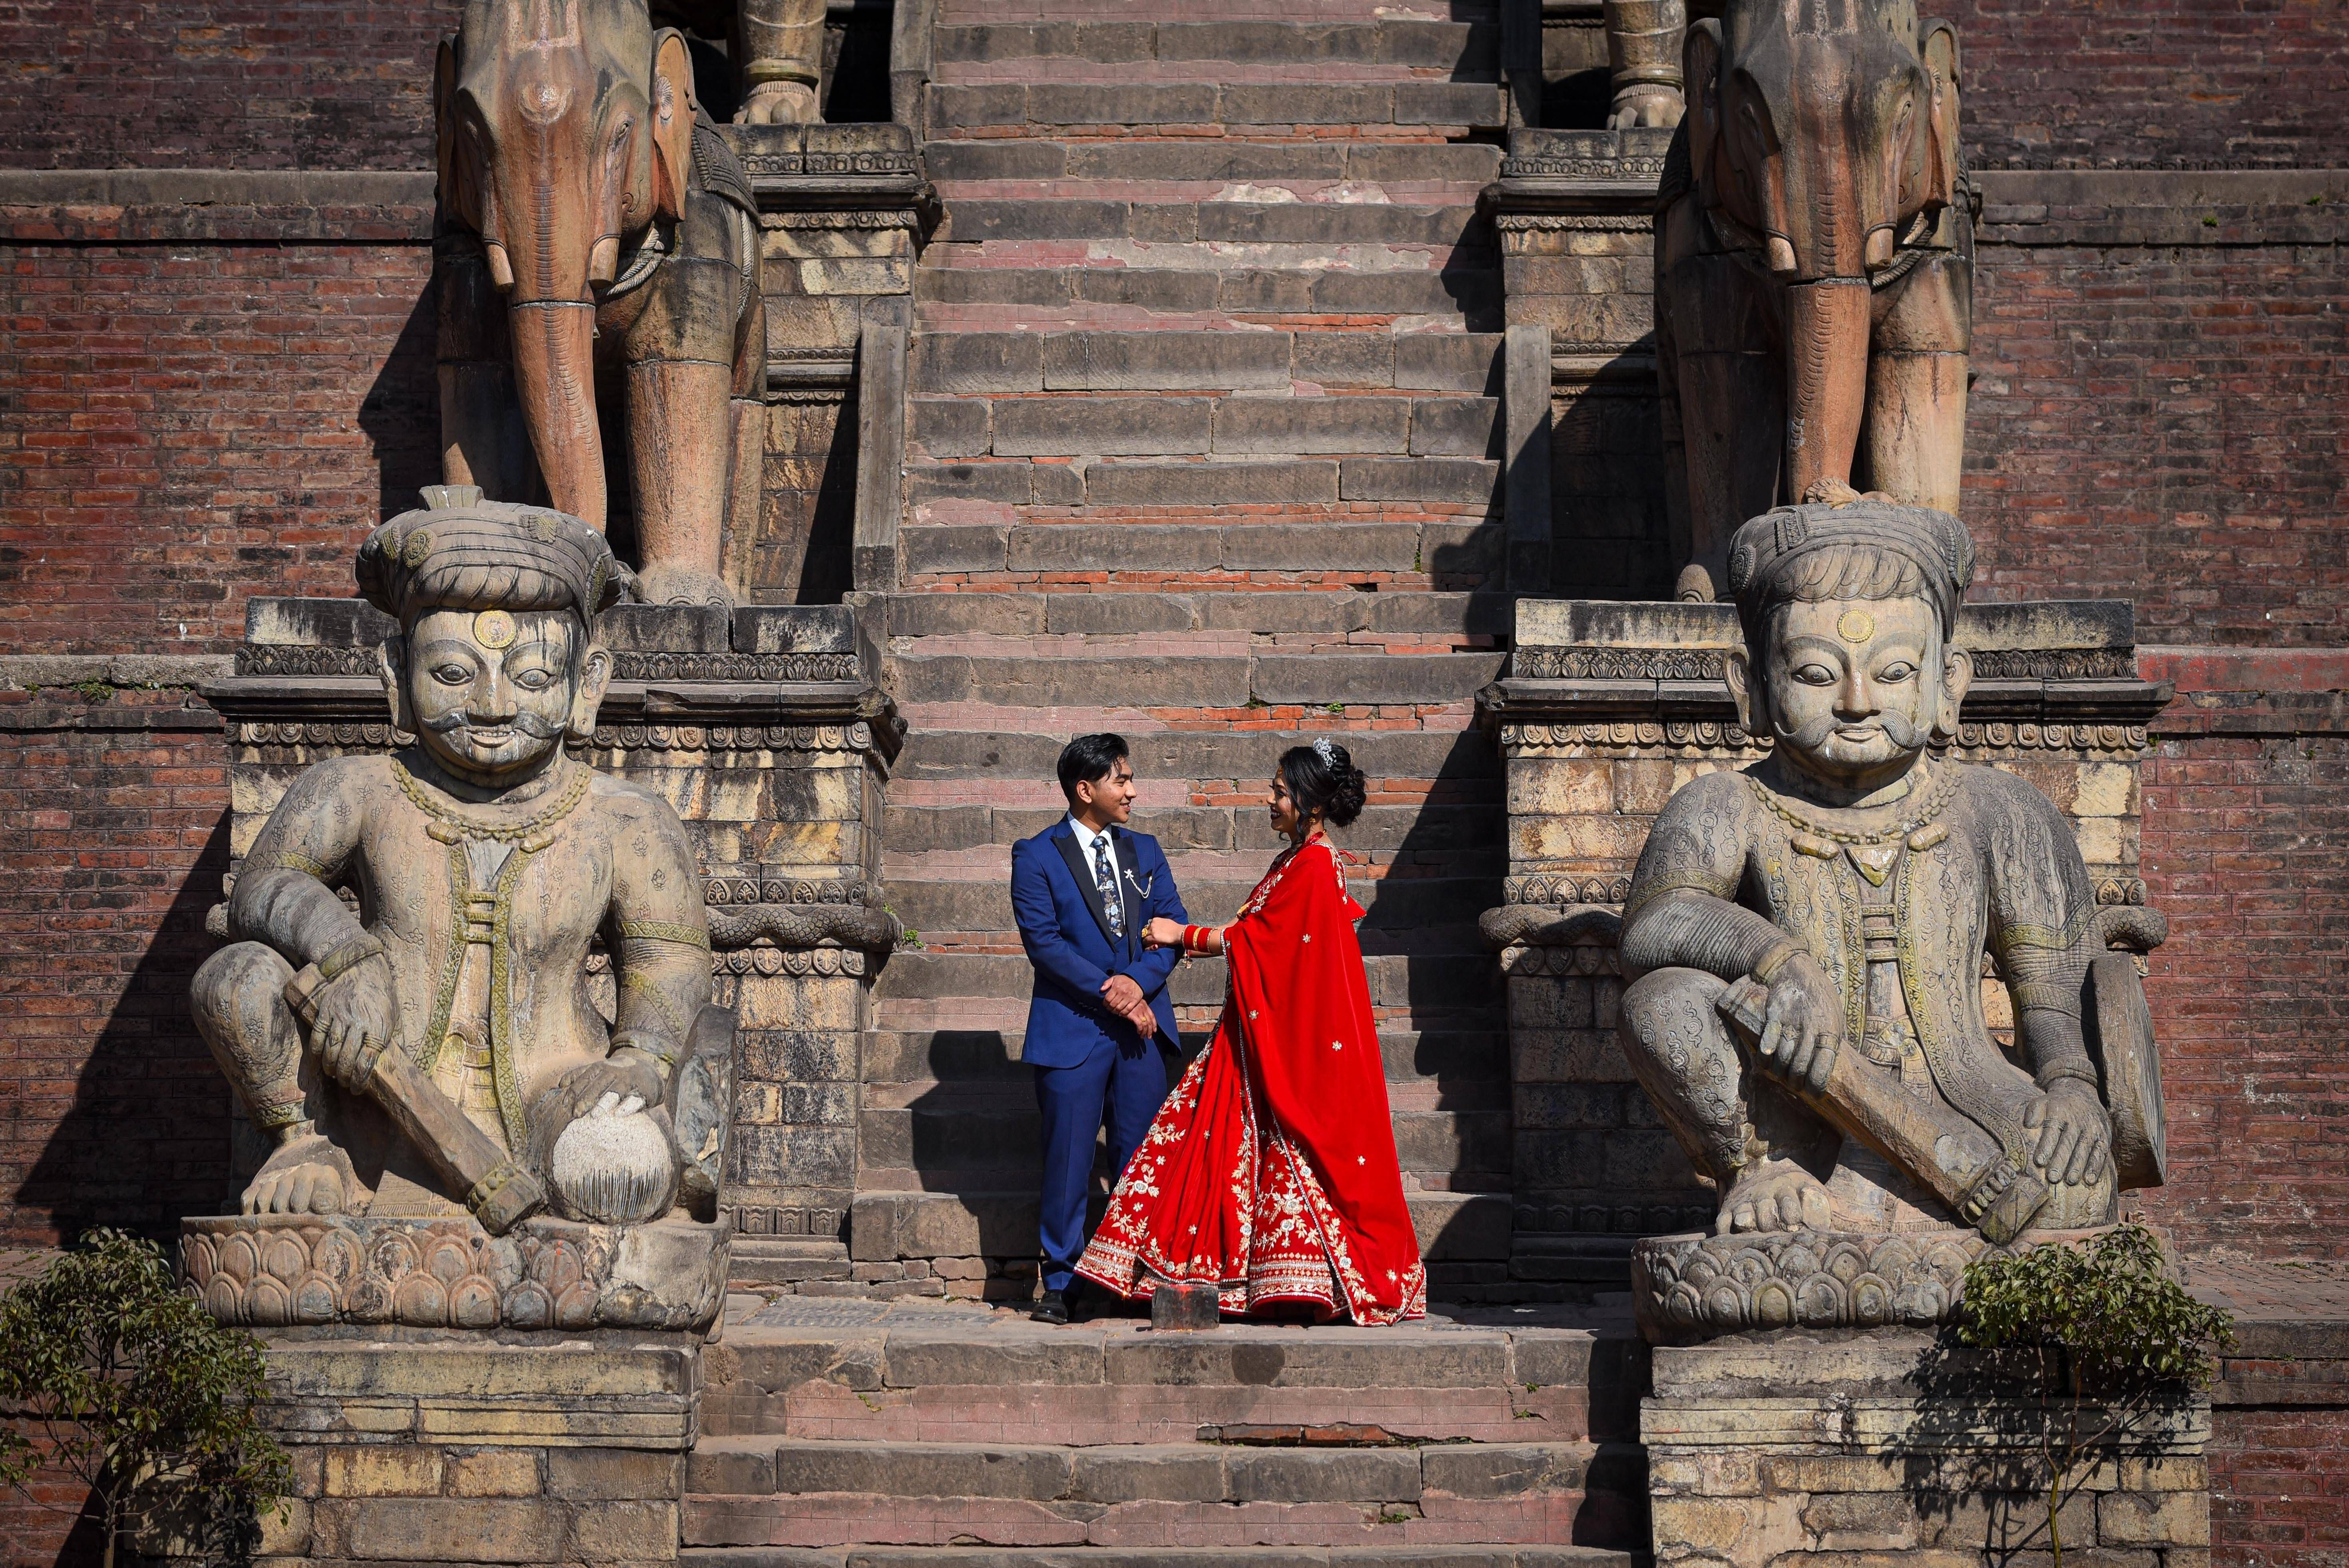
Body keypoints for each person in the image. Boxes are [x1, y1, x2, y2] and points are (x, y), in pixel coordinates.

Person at [1616, 501, 2146, 1243]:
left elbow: (2052, 1000)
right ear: (1753, 686)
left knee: (2074, 1187)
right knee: (1662, 1002)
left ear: (1948, 683)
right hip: (1799, 1118)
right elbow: (1655, 922)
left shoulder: (1998, 810)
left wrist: (2072, 1089)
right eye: (1815, 672)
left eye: (1894, 670)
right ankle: (1757, 1173)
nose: (1858, 701)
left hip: (1971, 1106)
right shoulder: (1729, 804)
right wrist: (1780, 961)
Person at [1076, 739, 1427, 1325]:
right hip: (1257, 1030)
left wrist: (1179, 933)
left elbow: (1261, 942)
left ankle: (1301, 1285)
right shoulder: (1295, 859)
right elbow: (1259, 931)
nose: (1270, 800)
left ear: (1310, 804)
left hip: (1292, 1039)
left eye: (1281, 792)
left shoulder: (1315, 866)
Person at [1010, 734, 1190, 1325]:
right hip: (1074, 1028)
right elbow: (1046, 945)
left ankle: (1133, 1274)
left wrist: (1138, 984)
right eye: (1121, 780)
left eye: (1131, 778)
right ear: (1086, 790)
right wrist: (1113, 991)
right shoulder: (1035, 855)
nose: (1132, 790)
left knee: (1140, 1158)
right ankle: (1061, 1282)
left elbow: (1174, 923)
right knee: (1067, 1159)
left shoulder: (1145, 849)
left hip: (1140, 1032)